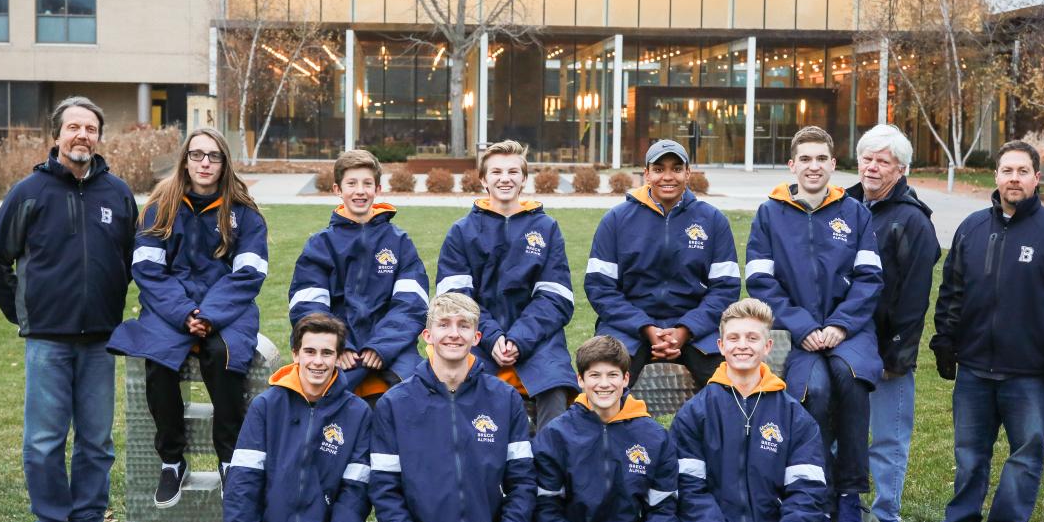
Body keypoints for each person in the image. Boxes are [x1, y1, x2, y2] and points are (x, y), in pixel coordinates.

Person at [0, 96, 136, 522]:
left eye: (90, 128)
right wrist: (24, 312)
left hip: (100, 341)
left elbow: (132, 263)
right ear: (57, 136)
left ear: (99, 137)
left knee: (96, 441)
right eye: (73, 127)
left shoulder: (118, 194)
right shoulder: (29, 192)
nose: (82, 135)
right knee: (45, 441)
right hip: (48, 340)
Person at [928, 140, 1044, 522]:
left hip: (1031, 371)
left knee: (1025, 454)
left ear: (1037, 178)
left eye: (1023, 171)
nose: (1014, 179)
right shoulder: (971, 228)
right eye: (1007, 171)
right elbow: (952, 291)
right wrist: (945, 339)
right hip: (974, 368)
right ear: (996, 177)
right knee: (969, 454)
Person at [745, 125, 883, 522]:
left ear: (832, 164)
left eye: (821, 158)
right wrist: (804, 326)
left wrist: (841, 326)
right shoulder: (770, 213)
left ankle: (849, 493)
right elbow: (762, 281)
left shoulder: (855, 213)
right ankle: (819, 509)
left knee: (851, 378)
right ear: (792, 165)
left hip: (850, 330)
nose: (813, 166)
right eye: (804, 159)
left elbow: (869, 279)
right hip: (799, 331)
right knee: (815, 392)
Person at [108, 127, 268, 507]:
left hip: (227, 309)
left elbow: (248, 274)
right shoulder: (159, 207)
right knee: (159, 358)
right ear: (185, 160)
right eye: (197, 155)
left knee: (223, 355)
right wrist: (184, 314)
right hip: (171, 307)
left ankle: (230, 459)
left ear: (225, 163)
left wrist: (209, 316)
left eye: (213, 156)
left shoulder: (244, 214)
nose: (205, 163)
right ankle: (171, 461)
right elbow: (148, 270)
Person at [369, 293, 535, 522]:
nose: (453, 334)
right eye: (443, 325)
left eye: (464, 326)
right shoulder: (395, 404)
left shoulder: (504, 400)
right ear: (427, 336)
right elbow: (384, 492)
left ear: (477, 337)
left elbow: (523, 482)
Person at [673, 298, 832, 522]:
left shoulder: (794, 417)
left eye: (752, 338)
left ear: (767, 346)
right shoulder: (695, 413)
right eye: (733, 338)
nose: (742, 345)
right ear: (720, 345)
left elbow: (807, 496)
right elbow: (689, 492)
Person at [218, 313, 373, 522]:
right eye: (310, 351)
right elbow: (242, 485)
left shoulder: (357, 413)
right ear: (296, 354)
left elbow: (355, 495)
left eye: (327, 353)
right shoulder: (266, 406)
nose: (318, 361)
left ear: (338, 358)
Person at [529, 335, 681, 522]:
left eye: (613, 375)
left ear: (626, 379)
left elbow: (665, 507)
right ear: (580, 380)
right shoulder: (556, 434)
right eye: (594, 375)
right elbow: (544, 507)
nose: (604, 384)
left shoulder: (652, 436)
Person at [436, 139, 577, 431]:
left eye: (513, 172)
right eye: (496, 172)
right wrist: (492, 337)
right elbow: (455, 300)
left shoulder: (546, 228)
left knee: (554, 388)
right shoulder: (462, 232)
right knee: (465, 391)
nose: (505, 178)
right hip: (476, 337)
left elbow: (556, 297)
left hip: (537, 339)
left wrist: (518, 339)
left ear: (524, 179)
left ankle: (550, 471)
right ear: (483, 180)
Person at [846, 124, 940, 522]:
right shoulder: (843, 205)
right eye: (867, 158)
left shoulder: (913, 221)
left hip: (887, 352)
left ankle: (885, 521)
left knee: (887, 440)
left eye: (883, 161)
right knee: (842, 435)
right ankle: (843, 513)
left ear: (900, 169)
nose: (872, 166)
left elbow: (913, 299)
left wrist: (895, 358)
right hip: (845, 346)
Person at [585, 138, 739, 389]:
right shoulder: (616, 220)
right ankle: (613, 430)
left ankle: (708, 429)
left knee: (729, 387)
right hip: (628, 326)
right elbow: (599, 287)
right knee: (604, 383)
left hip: (697, 328)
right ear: (646, 174)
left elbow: (726, 288)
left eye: (676, 169)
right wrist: (645, 327)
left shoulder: (712, 220)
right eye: (659, 169)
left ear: (688, 173)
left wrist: (685, 329)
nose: (668, 176)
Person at [288, 149, 429, 400]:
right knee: (318, 398)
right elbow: (307, 306)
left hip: (392, 345)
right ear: (337, 190)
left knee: (420, 394)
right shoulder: (321, 245)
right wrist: (337, 344)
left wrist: (382, 345)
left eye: (367, 184)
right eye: (351, 184)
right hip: (339, 346)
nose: (360, 191)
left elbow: (412, 305)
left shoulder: (399, 242)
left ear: (378, 188)